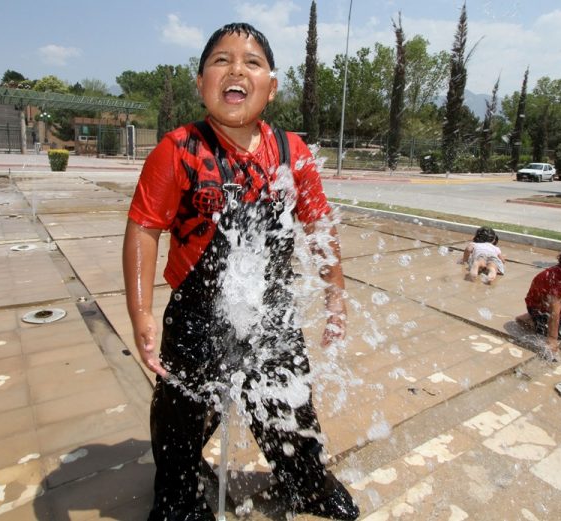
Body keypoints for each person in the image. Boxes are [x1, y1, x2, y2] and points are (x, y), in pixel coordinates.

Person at [122, 23, 359, 521]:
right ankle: (180, 496)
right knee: (183, 413)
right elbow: (144, 229)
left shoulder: (293, 154)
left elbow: (319, 225)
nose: (236, 69)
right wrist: (141, 312)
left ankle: (305, 482)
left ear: (271, 88)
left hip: (270, 312)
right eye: (221, 60)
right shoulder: (179, 149)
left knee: (289, 407)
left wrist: (335, 294)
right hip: (195, 313)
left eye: (251, 62)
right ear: (201, 83)